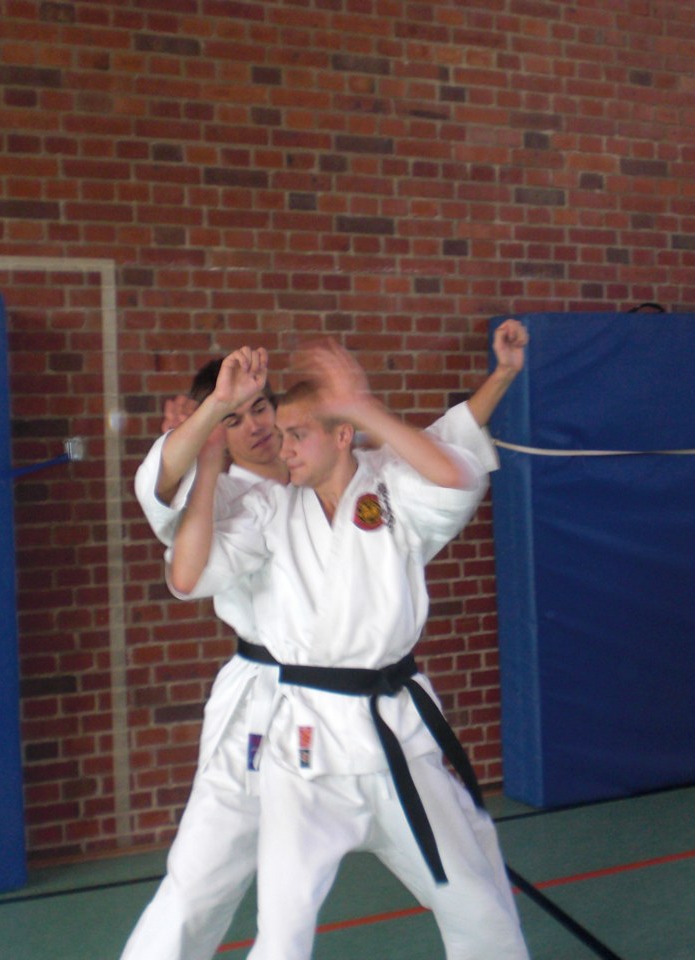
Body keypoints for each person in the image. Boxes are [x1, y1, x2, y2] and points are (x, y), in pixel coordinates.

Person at [120, 322, 529, 960]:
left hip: (386, 717)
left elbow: (447, 451)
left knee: (472, 887)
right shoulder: (240, 498)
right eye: (235, 419)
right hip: (280, 717)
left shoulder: (373, 474)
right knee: (207, 885)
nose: (263, 431)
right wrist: (205, 443)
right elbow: (177, 539)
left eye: (266, 411)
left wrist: (496, 377)